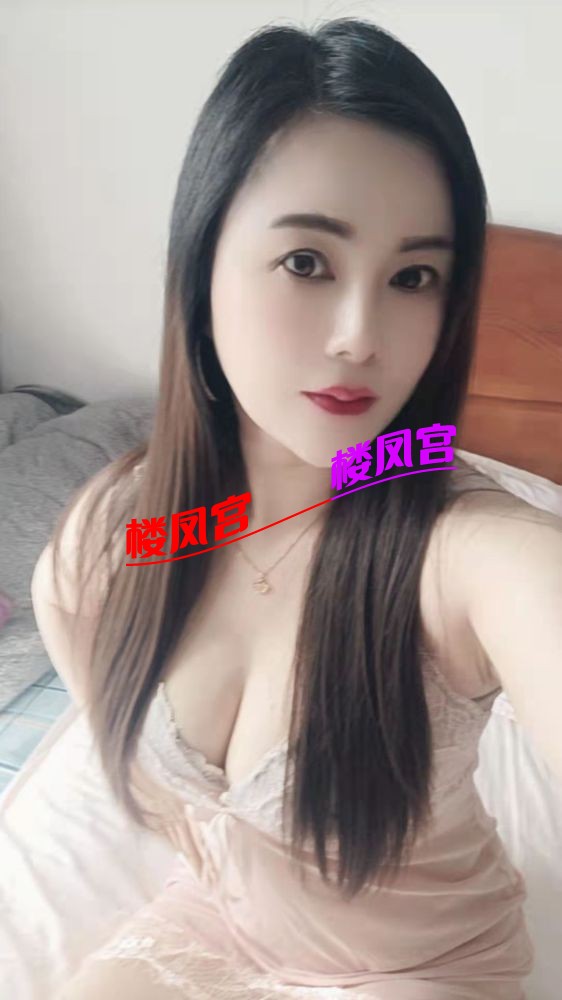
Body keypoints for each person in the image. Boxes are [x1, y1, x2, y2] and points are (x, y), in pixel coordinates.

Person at [34, 14, 562, 1000]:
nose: (361, 335)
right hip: (206, 929)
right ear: (202, 263)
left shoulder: (474, 550)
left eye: (414, 277)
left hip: (421, 967)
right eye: (307, 262)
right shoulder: (113, 537)